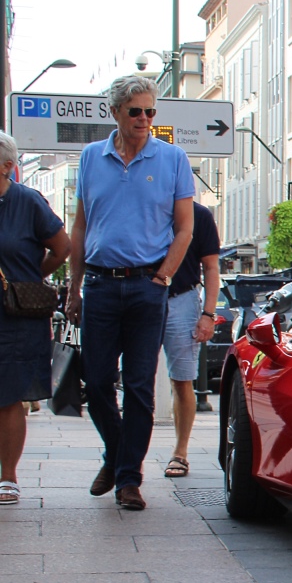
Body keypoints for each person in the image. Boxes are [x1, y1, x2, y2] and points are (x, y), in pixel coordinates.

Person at [66, 76, 195, 511]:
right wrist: (74, 286)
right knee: (98, 381)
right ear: (115, 112)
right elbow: (80, 226)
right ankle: (118, 453)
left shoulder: (173, 158)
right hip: (100, 285)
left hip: (147, 287)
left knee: (139, 387)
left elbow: (185, 229)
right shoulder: (90, 157)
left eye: (151, 112)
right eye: (136, 111)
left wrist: (163, 278)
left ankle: (128, 479)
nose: (144, 119)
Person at [0, 130, 72, 505]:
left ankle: (7, 477)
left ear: (7, 167)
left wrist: (29, 279)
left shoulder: (27, 202)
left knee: (10, 395)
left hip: (15, 314)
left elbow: (62, 248)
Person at [161, 201, 221, 478]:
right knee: (135, 379)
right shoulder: (148, 203)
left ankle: (180, 452)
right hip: (143, 294)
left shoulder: (199, 214)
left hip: (183, 297)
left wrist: (208, 314)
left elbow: (210, 267)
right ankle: (127, 456)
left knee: (182, 379)